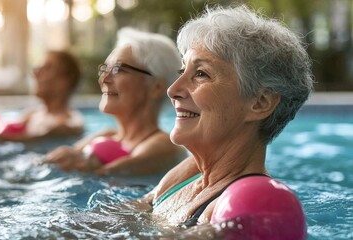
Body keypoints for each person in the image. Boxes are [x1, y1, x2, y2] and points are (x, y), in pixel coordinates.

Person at [141, 5, 313, 239]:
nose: (173, 90)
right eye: (182, 71)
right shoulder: (188, 174)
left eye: (201, 73)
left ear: (260, 103)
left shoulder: (261, 201)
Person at [44, 27, 187, 176]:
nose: (104, 79)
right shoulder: (107, 135)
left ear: (156, 87)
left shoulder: (164, 146)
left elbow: (111, 172)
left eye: (118, 69)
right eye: (104, 69)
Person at [0, 50, 84, 142]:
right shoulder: (30, 116)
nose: (35, 74)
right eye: (37, 68)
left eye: (45, 69)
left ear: (65, 80)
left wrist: (1, 138)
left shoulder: (69, 124)